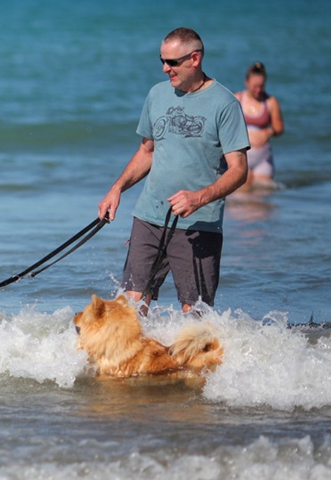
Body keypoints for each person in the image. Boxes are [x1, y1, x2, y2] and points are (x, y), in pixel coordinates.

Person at [97, 27, 249, 314]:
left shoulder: (225, 105)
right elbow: (146, 151)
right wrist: (116, 189)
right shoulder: (157, 94)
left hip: (198, 224)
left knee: (195, 316)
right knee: (130, 310)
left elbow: (239, 170)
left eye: (172, 62)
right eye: (162, 61)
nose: (166, 69)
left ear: (194, 58)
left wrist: (199, 198)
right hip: (148, 217)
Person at [235, 62, 284, 188]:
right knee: (241, 198)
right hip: (242, 157)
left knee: (262, 199)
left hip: (263, 158)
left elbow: (279, 128)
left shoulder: (270, 102)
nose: (258, 90)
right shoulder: (237, 99)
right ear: (246, 83)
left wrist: (268, 132)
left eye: (261, 86)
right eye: (255, 86)